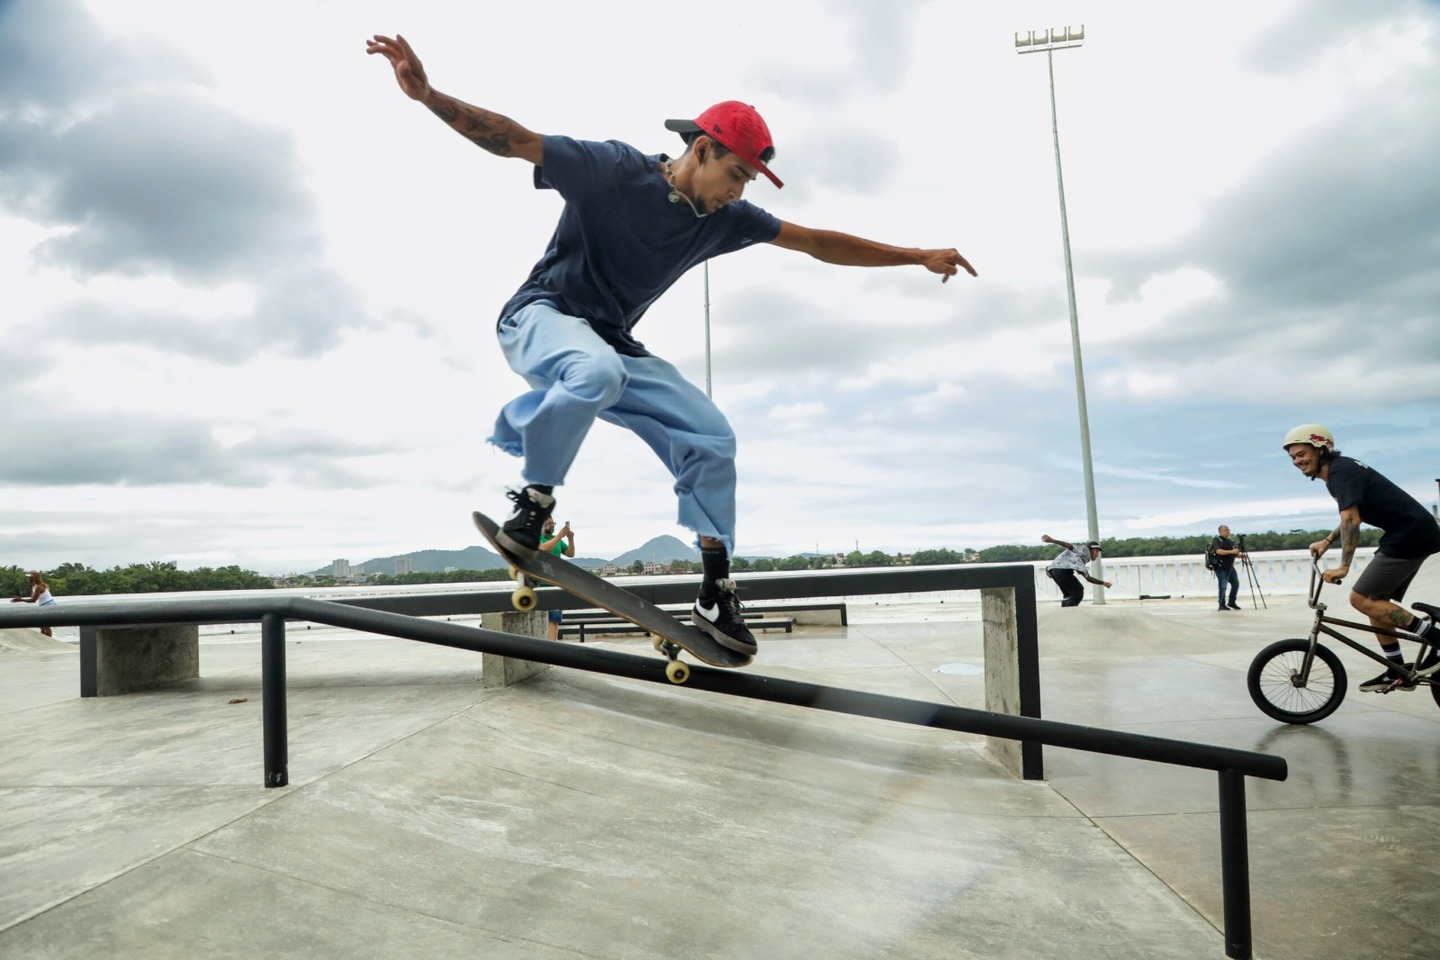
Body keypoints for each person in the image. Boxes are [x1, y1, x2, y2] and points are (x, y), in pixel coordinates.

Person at [367, 34, 977, 657]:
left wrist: (915, 256)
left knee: (712, 435)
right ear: (703, 149)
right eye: (736, 174)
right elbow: (515, 139)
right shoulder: (613, 170)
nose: (739, 193)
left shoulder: (726, 220)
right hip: (539, 317)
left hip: (612, 343)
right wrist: (429, 96)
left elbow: (817, 242)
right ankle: (534, 505)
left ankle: (715, 591)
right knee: (594, 370)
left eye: (748, 182)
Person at [1283, 423, 1440, 692]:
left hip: (1411, 535)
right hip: (1409, 533)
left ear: (1321, 448)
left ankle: (1437, 638)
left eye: (1301, 453)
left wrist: (1344, 566)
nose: (1297, 461)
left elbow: (1351, 518)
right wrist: (1328, 540)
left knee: (1360, 598)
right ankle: (1396, 670)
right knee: (1375, 602)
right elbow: (1353, 513)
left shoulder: (1340, 474)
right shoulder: (1340, 471)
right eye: (1293, 457)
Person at [1040, 535, 1111, 607]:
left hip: (1053, 570)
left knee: (1068, 595)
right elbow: (1069, 546)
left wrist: (1103, 583)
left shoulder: (1081, 557)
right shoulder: (1082, 550)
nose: (1097, 555)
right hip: (1062, 570)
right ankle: (1068, 613)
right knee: (1077, 593)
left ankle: (1064, 613)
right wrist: (1052, 540)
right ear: (1094, 551)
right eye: (1098, 552)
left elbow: (1088, 578)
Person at [539, 517, 575, 640]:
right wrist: (559, 536)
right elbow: (543, 549)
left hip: (555, 583)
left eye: (553, 523)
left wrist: (570, 539)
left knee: (554, 617)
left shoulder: (557, 540)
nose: (552, 526)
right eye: (548, 524)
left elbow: (570, 553)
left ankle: (553, 645)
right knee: (540, 616)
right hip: (540, 583)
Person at [10, 571, 57, 637]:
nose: (28, 579)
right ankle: (44, 639)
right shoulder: (34, 586)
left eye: (29, 578)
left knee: (46, 625)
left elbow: (33, 600)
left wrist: (20, 600)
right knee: (41, 625)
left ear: (34, 578)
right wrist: (21, 599)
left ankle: (49, 641)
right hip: (43, 605)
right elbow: (32, 598)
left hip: (49, 605)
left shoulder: (39, 587)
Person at [1211, 524, 1243, 611]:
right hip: (1221, 567)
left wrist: (1241, 556)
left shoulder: (1229, 541)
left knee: (1235, 584)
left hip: (1230, 567)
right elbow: (1218, 551)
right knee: (1223, 586)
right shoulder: (1217, 540)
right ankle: (1222, 604)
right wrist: (1232, 551)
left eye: (1228, 530)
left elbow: (1234, 553)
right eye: (1226, 530)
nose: (1228, 531)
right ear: (1220, 531)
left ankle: (1232, 602)